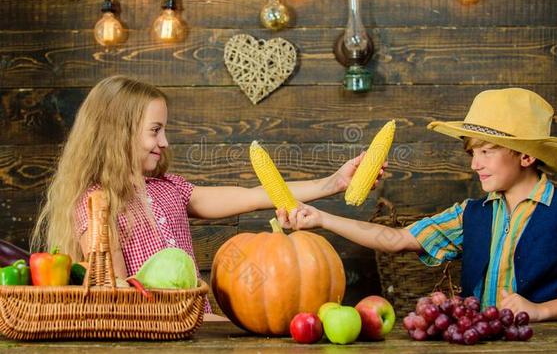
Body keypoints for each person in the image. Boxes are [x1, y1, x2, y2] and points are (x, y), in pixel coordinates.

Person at [30, 76, 382, 318]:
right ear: (115, 133)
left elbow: (255, 195)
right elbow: (120, 296)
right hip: (151, 334)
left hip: (195, 327)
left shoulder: (171, 188)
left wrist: (332, 182)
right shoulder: (96, 204)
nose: (164, 142)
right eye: (155, 131)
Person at [277, 88, 557, 322]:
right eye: (472, 153)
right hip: (479, 342)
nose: (474, 164)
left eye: (486, 151)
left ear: (525, 156)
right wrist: (321, 218)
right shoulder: (470, 213)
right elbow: (397, 240)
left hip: (546, 345)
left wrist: (541, 311)